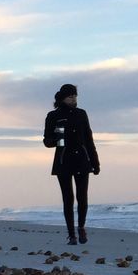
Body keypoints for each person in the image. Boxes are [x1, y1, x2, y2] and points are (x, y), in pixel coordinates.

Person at [42, 83, 100, 244]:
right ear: (62, 98)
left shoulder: (82, 114)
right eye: (70, 97)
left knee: (83, 197)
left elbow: (89, 139)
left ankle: (81, 228)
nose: (74, 99)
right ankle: (71, 234)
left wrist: (95, 162)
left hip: (82, 159)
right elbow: (47, 141)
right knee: (68, 198)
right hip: (63, 161)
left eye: (75, 96)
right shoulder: (53, 116)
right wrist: (59, 137)